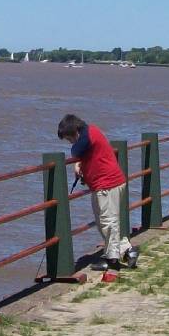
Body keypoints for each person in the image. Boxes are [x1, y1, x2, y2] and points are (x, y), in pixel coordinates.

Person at [56, 114, 137, 272]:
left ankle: (112, 260)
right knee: (103, 223)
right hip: (105, 184)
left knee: (108, 221)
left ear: (76, 132)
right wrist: (81, 164)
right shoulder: (91, 131)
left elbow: (76, 150)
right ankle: (127, 250)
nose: (70, 143)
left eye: (69, 139)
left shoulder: (87, 136)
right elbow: (86, 153)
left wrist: (77, 159)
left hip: (107, 184)